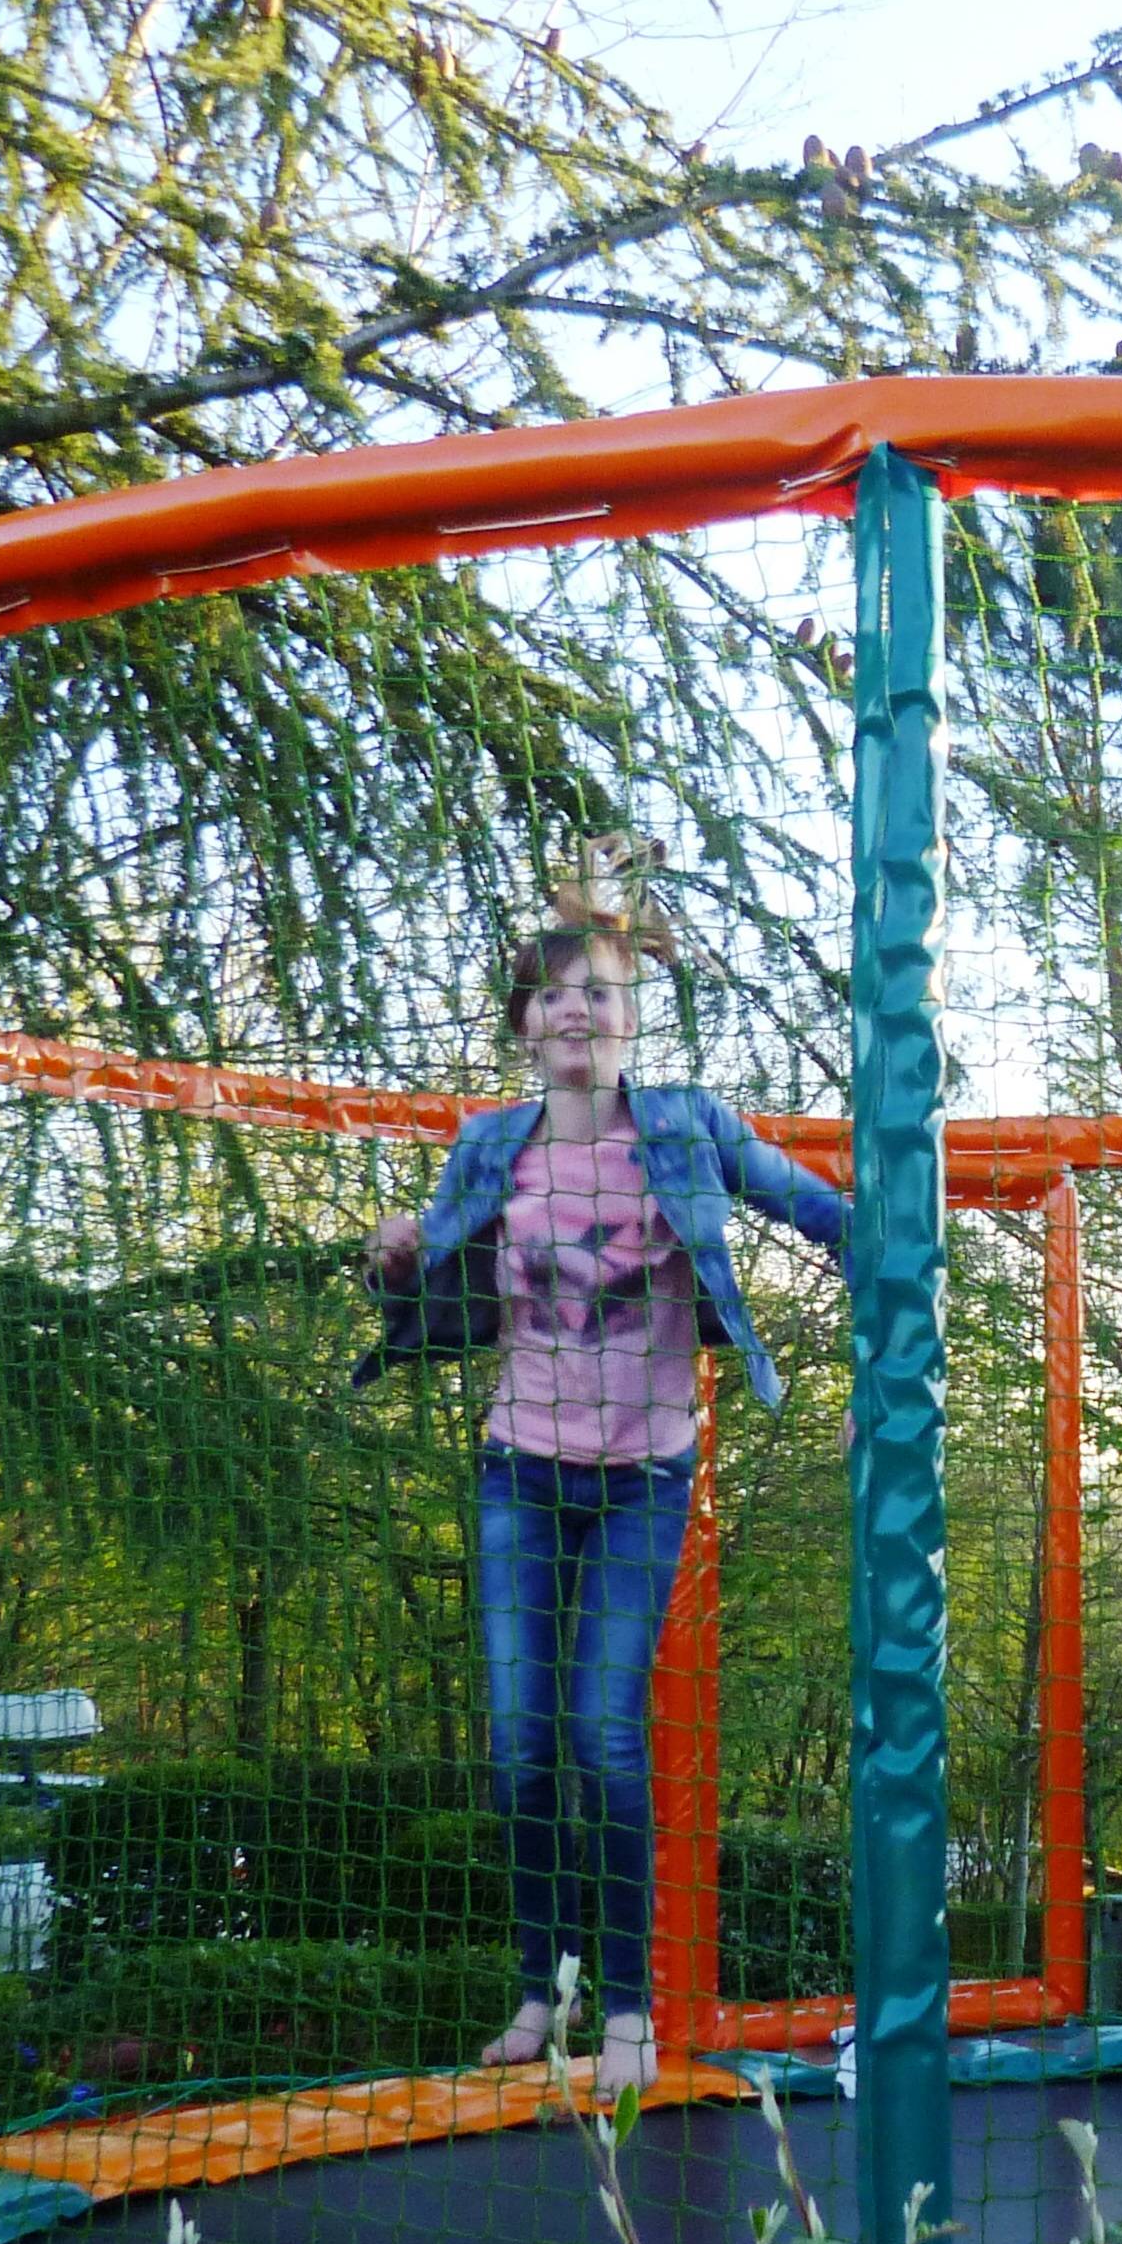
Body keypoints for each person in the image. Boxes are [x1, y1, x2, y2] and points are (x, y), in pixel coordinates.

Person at [360, 851, 846, 2081]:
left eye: (600, 991)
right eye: (553, 994)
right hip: (520, 1471)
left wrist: (888, 1367)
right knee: (521, 1745)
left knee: (604, 1737)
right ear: (524, 1025)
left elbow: (839, 1223)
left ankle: (626, 2008)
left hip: (643, 1480)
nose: (576, 1010)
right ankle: (543, 1995)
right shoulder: (487, 1146)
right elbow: (419, 1288)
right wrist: (392, 1261)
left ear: (634, 1016)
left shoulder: (690, 1127)